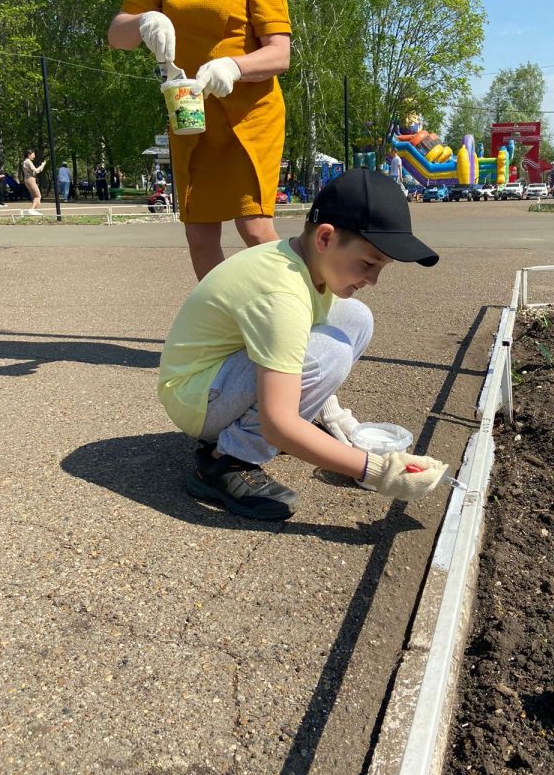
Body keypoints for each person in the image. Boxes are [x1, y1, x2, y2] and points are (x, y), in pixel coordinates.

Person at [158, 168, 448, 520]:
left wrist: (329, 414)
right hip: (196, 398)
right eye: (368, 263)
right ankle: (226, 461)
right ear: (325, 238)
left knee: (355, 317)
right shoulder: (283, 293)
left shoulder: (303, 261)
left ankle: (258, 434)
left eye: (380, 267)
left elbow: (303, 343)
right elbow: (279, 421)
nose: (373, 279)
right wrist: (377, 470)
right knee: (333, 351)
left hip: (216, 379)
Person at [107, 0, 292, 281]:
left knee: (254, 227)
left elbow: (280, 53)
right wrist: (144, 22)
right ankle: (225, 327)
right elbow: (116, 35)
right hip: (190, 114)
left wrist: (233, 66)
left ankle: (299, 316)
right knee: (199, 232)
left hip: (250, 118)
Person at [21, 149, 46, 215]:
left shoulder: (25, 162)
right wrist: (42, 165)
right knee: (38, 196)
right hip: (30, 179)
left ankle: (34, 210)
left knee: (34, 196)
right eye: (33, 155)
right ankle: (32, 210)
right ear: (29, 155)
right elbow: (36, 171)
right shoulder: (28, 162)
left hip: (27, 179)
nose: (34, 156)